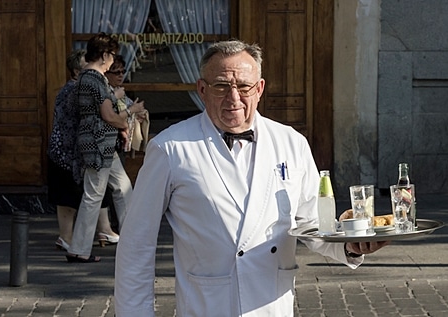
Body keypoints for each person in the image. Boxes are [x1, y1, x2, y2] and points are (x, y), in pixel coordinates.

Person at [114, 40, 389, 316]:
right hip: (207, 305)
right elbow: (137, 243)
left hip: (271, 304)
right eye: (221, 86)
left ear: (259, 89)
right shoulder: (170, 147)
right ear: (202, 89)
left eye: (244, 86)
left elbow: (312, 223)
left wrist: (350, 245)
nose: (233, 98)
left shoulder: (292, 143)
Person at [66, 33, 133, 263]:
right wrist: (125, 120)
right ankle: (79, 249)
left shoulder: (87, 78)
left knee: (123, 188)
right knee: (94, 195)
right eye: (112, 55)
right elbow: (108, 115)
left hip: (99, 143)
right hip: (99, 144)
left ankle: (132, 240)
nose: (113, 60)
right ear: (105, 55)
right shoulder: (95, 79)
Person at [47, 49, 119, 252]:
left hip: (76, 149)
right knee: (71, 197)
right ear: (78, 70)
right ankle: (68, 238)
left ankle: (102, 230)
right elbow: (98, 115)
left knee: (94, 189)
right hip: (67, 152)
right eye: (86, 64)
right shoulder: (76, 89)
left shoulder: (80, 87)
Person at [104, 54, 148, 165]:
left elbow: (128, 112)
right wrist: (132, 110)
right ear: (106, 73)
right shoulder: (105, 92)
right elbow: (111, 117)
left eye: (123, 72)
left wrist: (138, 114)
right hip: (108, 144)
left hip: (120, 144)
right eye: (116, 73)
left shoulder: (119, 90)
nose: (121, 75)